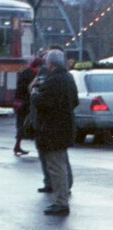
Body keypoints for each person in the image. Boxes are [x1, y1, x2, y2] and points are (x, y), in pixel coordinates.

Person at [31, 47, 78, 215]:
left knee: (56, 167)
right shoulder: (68, 78)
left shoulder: (53, 81)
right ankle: (61, 200)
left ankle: (61, 202)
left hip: (52, 130)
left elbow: (43, 103)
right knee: (61, 165)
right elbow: (75, 101)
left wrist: (35, 92)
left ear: (50, 64)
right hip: (65, 127)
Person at [13, 55, 42, 155]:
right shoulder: (31, 74)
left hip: (19, 102)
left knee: (21, 124)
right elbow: (27, 88)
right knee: (27, 124)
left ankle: (17, 146)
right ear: (37, 66)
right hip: (25, 102)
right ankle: (38, 148)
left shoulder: (26, 72)